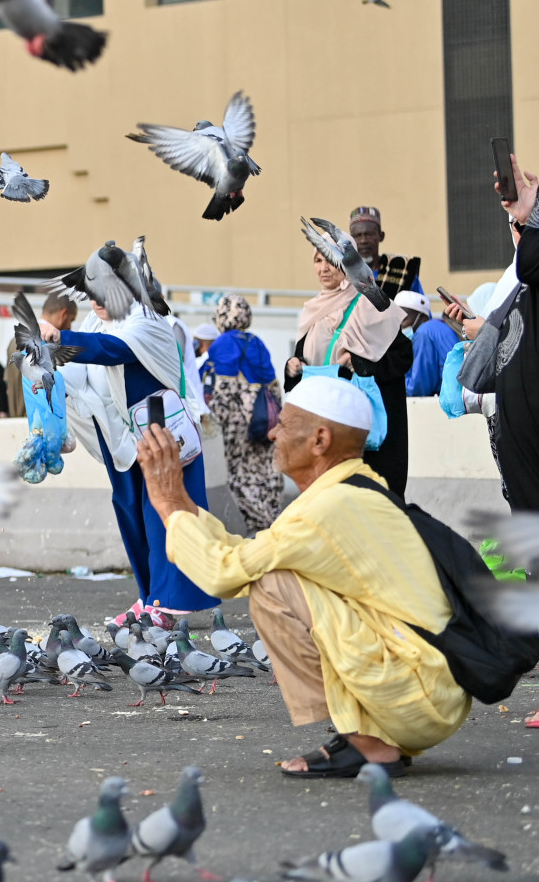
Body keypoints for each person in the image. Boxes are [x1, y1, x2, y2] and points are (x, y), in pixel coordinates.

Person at [138, 375, 471, 775]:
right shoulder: (356, 487)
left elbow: (222, 573)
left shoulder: (329, 507)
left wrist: (168, 501)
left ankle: (369, 743)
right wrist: (180, 504)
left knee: (269, 588)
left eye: (286, 423)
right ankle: (361, 734)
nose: (274, 430)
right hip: (430, 691)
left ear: (319, 440)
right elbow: (243, 554)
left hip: (414, 698)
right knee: (275, 575)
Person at [55, 300, 217, 621]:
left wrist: (61, 340)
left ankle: (167, 602)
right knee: (132, 516)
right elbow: (75, 374)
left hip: (158, 430)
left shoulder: (146, 319)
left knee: (161, 515)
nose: (97, 300)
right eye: (91, 291)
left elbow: (113, 349)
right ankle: (149, 597)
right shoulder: (94, 321)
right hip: (120, 438)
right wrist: (47, 372)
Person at [445, 154, 539, 513]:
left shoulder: (526, 268)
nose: (519, 231)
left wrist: (481, 329)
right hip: (509, 416)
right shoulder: (512, 275)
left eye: (526, 226)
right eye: (516, 226)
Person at [286, 246, 411, 496]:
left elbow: (403, 355)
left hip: (365, 434)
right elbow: (308, 361)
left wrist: (362, 363)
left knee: (371, 503)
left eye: (331, 261)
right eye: (318, 260)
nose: (323, 268)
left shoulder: (370, 304)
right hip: (327, 427)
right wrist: (293, 368)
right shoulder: (313, 310)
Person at [207, 294, 283, 533]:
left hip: (238, 417)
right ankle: (270, 520)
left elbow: (225, 386)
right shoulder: (257, 341)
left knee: (237, 471)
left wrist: (213, 418)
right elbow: (273, 384)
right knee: (263, 469)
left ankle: (255, 523)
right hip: (266, 415)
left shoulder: (223, 343)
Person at [7, 294, 77, 418]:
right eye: (71, 320)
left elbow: (9, 385)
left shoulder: (13, 341)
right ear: (63, 314)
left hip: (17, 420)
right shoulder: (51, 344)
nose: (70, 327)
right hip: (40, 423)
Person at [394, 291, 459, 399]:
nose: (399, 325)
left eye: (403, 319)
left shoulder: (424, 332)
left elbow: (419, 388)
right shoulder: (438, 327)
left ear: (422, 317)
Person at [349, 206, 424, 297]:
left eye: (369, 234)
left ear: (381, 236)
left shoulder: (404, 270)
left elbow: (420, 308)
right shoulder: (342, 273)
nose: (363, 241)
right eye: (358, 236)